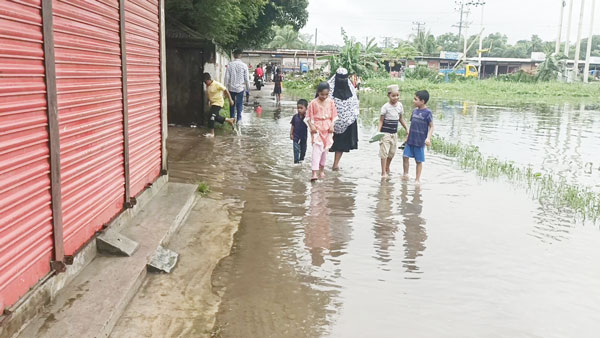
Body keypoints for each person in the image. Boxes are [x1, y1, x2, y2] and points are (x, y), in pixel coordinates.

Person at [328, 68, 359, 171]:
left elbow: (354, 105)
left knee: (340, 144)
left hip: (345, 122)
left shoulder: (351, 89)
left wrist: (350, 118)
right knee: (324, 143)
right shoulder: (328, 88)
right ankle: (320, 163)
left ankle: (335, 164)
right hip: (328, 122)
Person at [306, 82, 338, 181]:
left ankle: (322, 170)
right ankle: (314, 172)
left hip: (328, 129)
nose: (324, 97)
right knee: (316, 150)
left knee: (325, 151)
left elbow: (334, 116)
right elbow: (308, 117)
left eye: (326, 94)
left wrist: (332, 126)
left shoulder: (331, 102)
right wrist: (312, 126)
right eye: (322, 94)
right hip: (317, 129)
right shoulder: (313, 103)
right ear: (318, 93)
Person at [403, 90, 434, 183]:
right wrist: (407, 137)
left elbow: (432, 126)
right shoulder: (414, 111)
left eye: (416, 99)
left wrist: (428, 138)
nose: (414, 101)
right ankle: (405, 174)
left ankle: (417, 179)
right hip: (410, 140)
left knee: (418, 161)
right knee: (405, 156)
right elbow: (412, 125)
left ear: (422, 101)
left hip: (419, 141)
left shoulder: (428, 113)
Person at [378, 85, 408, 178]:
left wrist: (407, 128)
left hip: (394, 133)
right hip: (385, 133)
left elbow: (400, 119)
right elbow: (381, 120)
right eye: (393, 96)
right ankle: (383, 172)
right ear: (388, 95)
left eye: (397, 95)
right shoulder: (385, 107)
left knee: (392, 153)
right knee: (384, 152)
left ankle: (387, 167)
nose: (396, 98)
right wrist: (378, 132)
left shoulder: (400, 106)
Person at [202, 72, 236, 137]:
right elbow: (209, 94)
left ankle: (212, 133)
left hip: (218, 102)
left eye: (205, 82)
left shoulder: (217, 84)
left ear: (208, 80)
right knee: (215, 116)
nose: (205, 83)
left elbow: (226, 90)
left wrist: (230, 100)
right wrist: (208, 101)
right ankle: (229, 120)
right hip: (213, 103)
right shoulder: (208, 85)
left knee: (211, 116)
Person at [224, 49, 250, 122]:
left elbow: (226, 77)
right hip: (240, 89)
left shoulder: (230, 65)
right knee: (239, 105)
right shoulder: (244, 65)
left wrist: (225, 88)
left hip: (231, 88)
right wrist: (248, 89)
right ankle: (239, 120)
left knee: (231, 104)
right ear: (240, 55)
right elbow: (247, 79)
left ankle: (232, 119)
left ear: (233, 55)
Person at [290, 99, 308, 164]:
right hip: (296, 136)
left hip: (304, 137)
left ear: (306, 108)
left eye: (301, 108)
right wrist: (291, 134)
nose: (299, 110)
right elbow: (293, 125)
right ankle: (296, 162)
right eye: (298, 108)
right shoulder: (295, 117)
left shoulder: (307, 118)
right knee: (296, 149)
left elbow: (311, 126)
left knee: (303, 150)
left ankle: (301, 160)